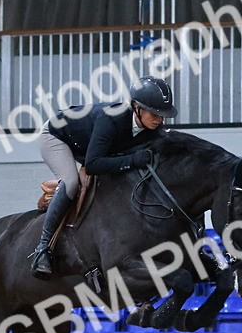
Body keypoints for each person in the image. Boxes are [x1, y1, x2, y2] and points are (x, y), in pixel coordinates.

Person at [29, 75, 178, 279]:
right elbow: (92, 165)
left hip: (90, 144)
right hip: (58, 137)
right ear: (136, 107)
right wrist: (134, 160)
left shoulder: (153, 129)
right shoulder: (111, 119)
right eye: (155, 113)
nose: (160, 119)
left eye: (163, 115)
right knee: (72, 182)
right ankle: (43, 249)